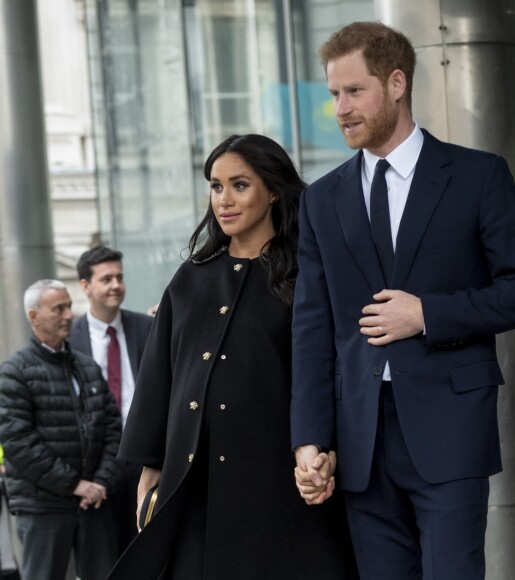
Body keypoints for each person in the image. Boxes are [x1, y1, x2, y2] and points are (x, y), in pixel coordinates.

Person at [290, 22, 515, 580]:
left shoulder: (478, 177)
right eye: (333, 94)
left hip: (450, 429)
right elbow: (314, 331)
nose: (340, 108)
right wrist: (309, 441)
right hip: (360, 440)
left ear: (396, 83)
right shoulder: (320, 201)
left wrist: (427, 314)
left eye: (354, 91)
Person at [106, 134, 358, 579]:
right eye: (216, 186)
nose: (224, 200)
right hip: (196, 484)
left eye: (239, 185)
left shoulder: (305, 276)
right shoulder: (190, 280)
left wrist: (328, 450)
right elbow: (161, 377)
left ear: (273, 190)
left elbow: (331, 374)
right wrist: (152, 467)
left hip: (280, 481)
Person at [0, 279, 121, 580]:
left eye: (69, 306)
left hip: (93, 501)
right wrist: (73, 484)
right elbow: (18, 443)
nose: (69, 315)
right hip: (43, 507)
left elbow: (113, 428)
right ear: (33, 316)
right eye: (58, 309)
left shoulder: (87, 366)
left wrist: (101, 482)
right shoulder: (15, 372)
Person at [70, 245, 153, 555]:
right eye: (106, 279)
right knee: (103, 555)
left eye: (119, 277)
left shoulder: (148, 328)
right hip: (95, 465)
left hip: (143, 455)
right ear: (85, 286)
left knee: (145, 547)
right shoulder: (70, 340)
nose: (116, 285)